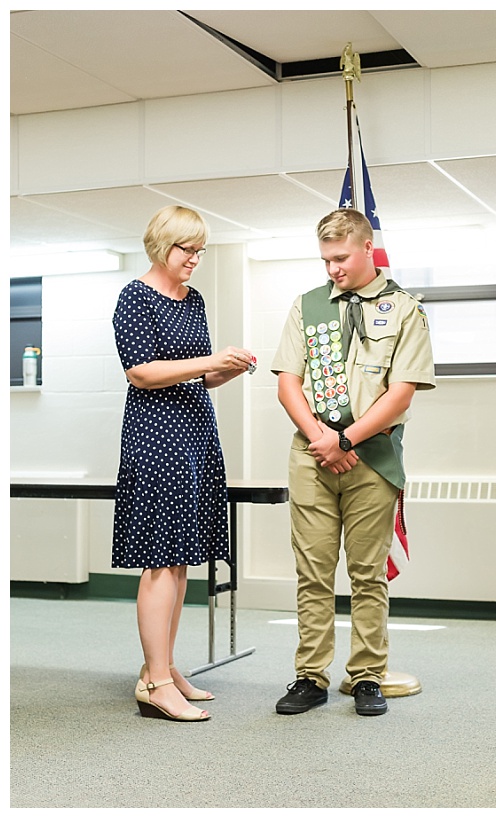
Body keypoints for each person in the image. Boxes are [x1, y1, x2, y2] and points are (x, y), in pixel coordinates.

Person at [271, 208, 435, 717]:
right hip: (312, 455)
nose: (332, 269)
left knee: (367, 574)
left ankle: (367, 675)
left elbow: (402, 392)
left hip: (372, 458)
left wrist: (346, 439)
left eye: (341, 257)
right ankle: (310, 676)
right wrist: (321, 438)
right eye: (325, 259)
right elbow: (287, 382)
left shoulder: (405, 309)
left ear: (368, 248)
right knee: (313, 571)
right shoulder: (308, 307)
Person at [114, 205, 255, 722]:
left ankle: (166, 667)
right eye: (187, 249)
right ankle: (153, 681)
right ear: (160, 246)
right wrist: (209, 362)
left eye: (201, 251)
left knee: (182, 559)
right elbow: (143, 373)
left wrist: (226, 370)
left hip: (195, 433)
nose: (195, 259)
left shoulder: (193, 300)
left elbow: (195, 374)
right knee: (161, 559)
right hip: (156, 438)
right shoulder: (134, 297)